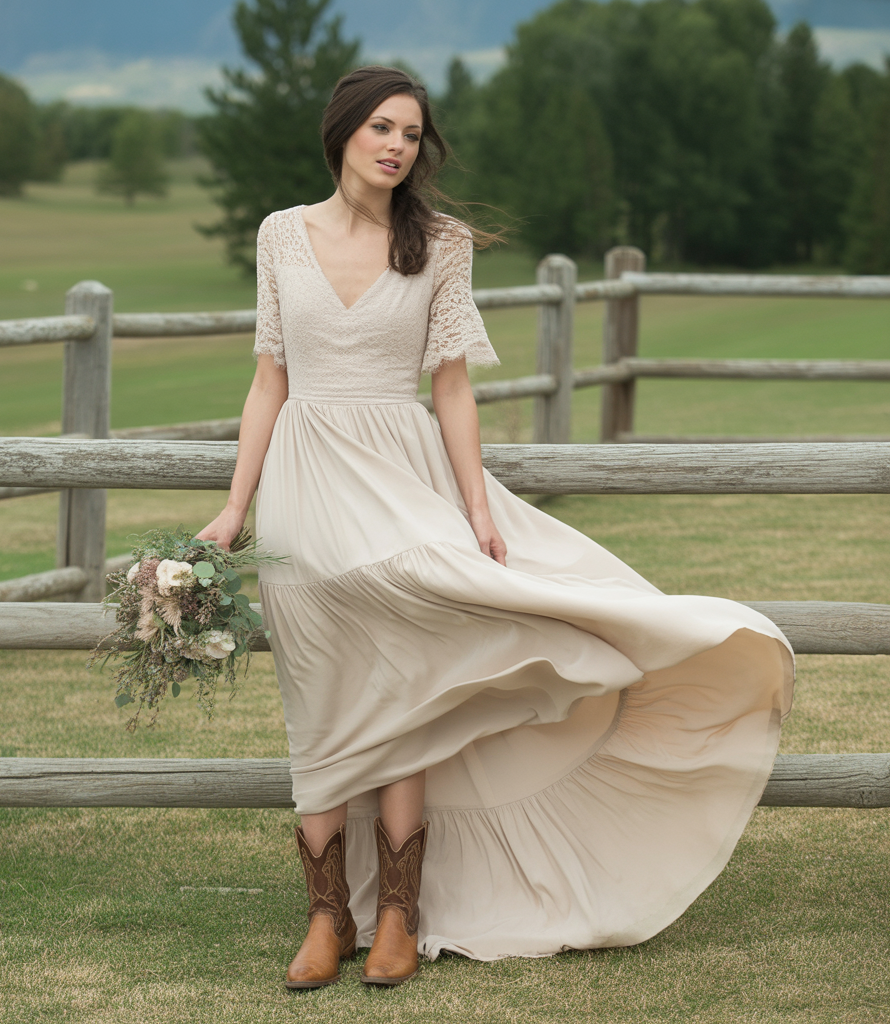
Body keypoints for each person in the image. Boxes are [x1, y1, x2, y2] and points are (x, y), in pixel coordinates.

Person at [196, 65, 795, 990]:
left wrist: (476, 507)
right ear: (343, 133)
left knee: (409, 690)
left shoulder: (440, 243)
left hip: (403, 478)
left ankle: (399, 913)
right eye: (382, 128)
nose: (398, 146)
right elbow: (269, 379)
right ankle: (328, 919)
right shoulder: (282, 234)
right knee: (317, 700)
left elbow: (453, 388)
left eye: (411, 134)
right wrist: (237, 506)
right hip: (304, 489)